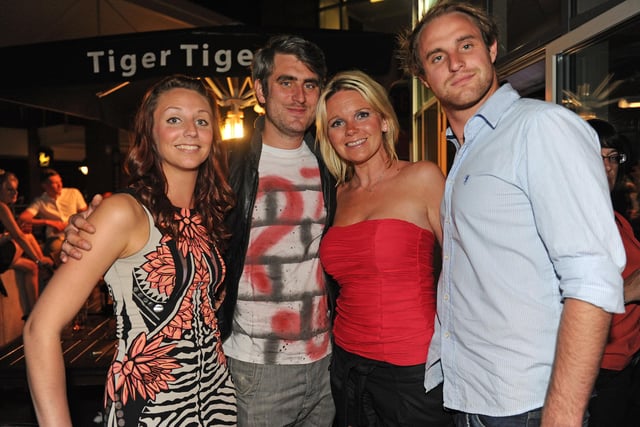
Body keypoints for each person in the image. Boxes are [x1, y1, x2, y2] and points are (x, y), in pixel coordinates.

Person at [60, 35, 337, 426]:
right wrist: (85, 227)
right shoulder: (227, 168)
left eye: (310, 84)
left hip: (323, 365)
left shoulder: (334, 162)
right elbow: (157, 217)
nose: (299, 95)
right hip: (252, 370)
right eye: (286, 82)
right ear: (259, 90)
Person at [398, 1, 625, 426]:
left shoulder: (540, 127)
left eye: (466, 45)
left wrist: (562, 414)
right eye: (437, 57)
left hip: (529, 405)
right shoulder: (468, 153)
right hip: (474, 395)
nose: (455, 62)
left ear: (492, 48)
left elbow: (592, 277)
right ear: (424, 78)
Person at [23, 75, 237, 426]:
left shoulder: (207, 216)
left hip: (215, 403)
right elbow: (39, 329)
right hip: (150, 410)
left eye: (202, 120)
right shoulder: (125, 212)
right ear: (149, 134)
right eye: (173, 119)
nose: (191, 130)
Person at [316, 69, 453, 426]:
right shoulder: (337, 196)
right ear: (327, 136)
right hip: (346, 363)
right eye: (337, 123)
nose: (351, 129)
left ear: (385, 121)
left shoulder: (423, 176)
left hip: (412, 368)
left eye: (362, 114)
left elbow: (464, 265)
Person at [587, 118, 640, 427]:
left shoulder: (616, 219)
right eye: (596, 155)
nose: (607, 166)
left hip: (623, 367)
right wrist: (627, 292)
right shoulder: (571, 220)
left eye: (612, 157)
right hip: (597, 372)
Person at [0, 170, 54, 317]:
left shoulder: (4, 207)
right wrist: (37, 259)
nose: (14, 193)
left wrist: (8, 234)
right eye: (9, 189)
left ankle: (32, 313)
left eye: (16, 190)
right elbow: (18, 236)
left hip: (3, 257)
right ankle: (42, 263)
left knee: (31, 268)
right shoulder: (1, 207)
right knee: (27, 236)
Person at [18, 168, 87, 265]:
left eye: (60, 181)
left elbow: (86, 214)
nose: (60, 185)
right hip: (56, 237)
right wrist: (49, 222)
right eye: (55, 183)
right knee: (57, 250)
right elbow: (23, 218)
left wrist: (67, 225)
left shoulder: (73, 193)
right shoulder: (40, 201)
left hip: (76, 233)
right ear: (45, 186)